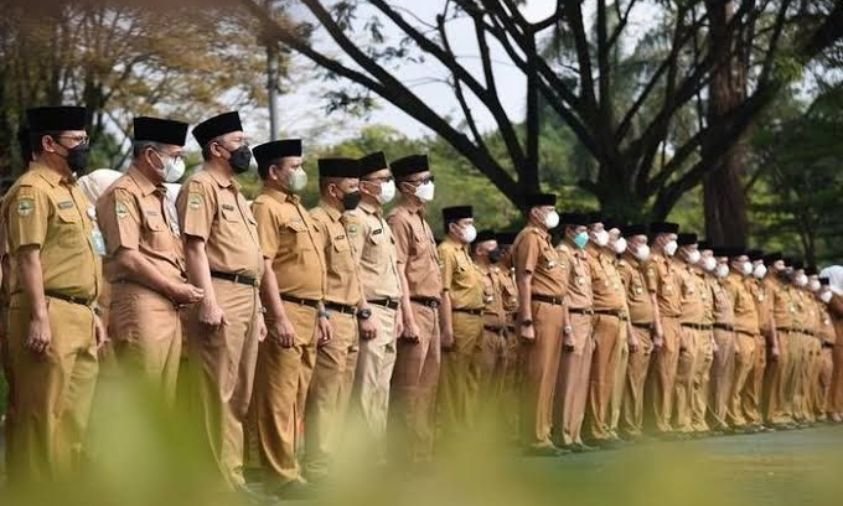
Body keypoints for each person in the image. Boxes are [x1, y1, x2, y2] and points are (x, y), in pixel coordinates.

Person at [2, 105, 106, 482]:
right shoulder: (31, 190)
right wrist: (39, 318)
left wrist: (93, 312)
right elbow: (27, 258)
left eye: (84, 139)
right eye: (76, 140)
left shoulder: (74, 191)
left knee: (73, 415)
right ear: (48, 143)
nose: (83, 146)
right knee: (42, 414)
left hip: (79, 313)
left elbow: (83, 256)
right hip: (48, 310)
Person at [176, 111, 266, 495]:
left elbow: (254, 258)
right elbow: (194, 248)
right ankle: (219, 481)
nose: (246, 149)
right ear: (216, 148)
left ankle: (232, 474)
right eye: (239, 142)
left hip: (247, 295)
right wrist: (208, 302)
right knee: (218, 391)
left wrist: (260, 308)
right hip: (220, 291)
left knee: (241, 392)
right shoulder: (201, 185)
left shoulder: (236, 193)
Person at [96, 117, 203, 403]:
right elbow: (127, 257)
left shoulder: (159, 197)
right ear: (150, 155)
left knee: (163, 402)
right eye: (175, 156)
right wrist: (172, 287)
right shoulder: (124, 194)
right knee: (143, 399)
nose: (179, 163)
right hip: (140, 304)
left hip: (168, 306)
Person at [249, 139, 325, 497]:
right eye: (293, 167)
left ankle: (291, 467)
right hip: (288, 308)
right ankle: (279, 473)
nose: (300, 172)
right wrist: (277, 316)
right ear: (273, 172)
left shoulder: (297, 208)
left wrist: (321, 311)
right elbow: (265, 264)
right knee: (278, 396)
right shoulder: (266, 207)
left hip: (310, 310)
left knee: (297, 397)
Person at [303, 157, 365, 480]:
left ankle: (334, 457)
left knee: (342, 393)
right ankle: (318, 462)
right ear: (332, 189)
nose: (357, 192)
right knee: (325, 394)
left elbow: (350, 272)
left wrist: (363, 309)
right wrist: (321, 312)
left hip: (351, 316)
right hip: (332, 315)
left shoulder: (342, 221)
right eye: (352, 187)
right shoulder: (318, 220)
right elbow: (315, 272)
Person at [387, 154, 442, 465]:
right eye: (423, 181)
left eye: (429, 179)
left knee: (427, 387)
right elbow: (399, 271)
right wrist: (407, 318)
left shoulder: (421, 219)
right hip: (415, 308)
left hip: (431, 308)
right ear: (406, 186)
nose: (428, 186)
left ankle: (422, 453)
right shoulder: (398, 219)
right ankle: (404, 455)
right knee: (408, 387)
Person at [347, 151, 402, 459]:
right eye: (384, 180)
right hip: (372, 310)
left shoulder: (380, 221)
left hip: (390, 310)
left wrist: (400, 313)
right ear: (365, 185)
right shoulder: (356, 218)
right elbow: (351, 268)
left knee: (382, 389)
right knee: (365, 388)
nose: (389, 185)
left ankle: (377, 455)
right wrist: (363, 310)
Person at [511, 193, 567, 456]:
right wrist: (526, 319)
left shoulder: (546, 240)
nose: (553, 214)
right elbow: (524, 279)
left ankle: (543, 433)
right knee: (538, 374)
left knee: (549, 376)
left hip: (555, 308)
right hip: (540, 308)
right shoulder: (530, 238)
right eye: (549, 209)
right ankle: (533, 436)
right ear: (535, 212)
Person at [437, 206, 486, 435]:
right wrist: (446, 328)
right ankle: (452, 431)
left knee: (472, 377)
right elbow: (444, 291)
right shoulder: (446, 251)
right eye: (466, 224)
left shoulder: (464, 251)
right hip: (459, 318)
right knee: (453, 379)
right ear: (453, 227)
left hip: (477, 318)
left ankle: (468, 428)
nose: (470, 228)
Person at [583, 214, 629, 448]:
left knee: (608, 379)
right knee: (598, 377)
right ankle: (595, 429)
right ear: (589, 233)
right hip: (599, 319)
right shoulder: (586, 258)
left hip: (616, 320)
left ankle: (604, 427)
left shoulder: (605, 261)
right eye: (600, 230)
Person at [553, 212, 594, 452]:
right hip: (574, 318)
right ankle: (563, 433)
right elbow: (563, 293)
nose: (585, 236)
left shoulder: (582, 256)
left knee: (581, 380)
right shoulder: (563, 254)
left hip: (587, 319)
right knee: (568, 380)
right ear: (569, 231)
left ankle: (576, 434)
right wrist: (567, 326)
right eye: (581, 231)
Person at [617, 224, 655, 441]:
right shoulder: (624, 268)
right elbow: (623, 304)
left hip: (646, 330)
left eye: (644, 242)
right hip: (635, 329)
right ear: (629, 244)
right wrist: (630, 333)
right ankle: (629, 427)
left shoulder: (638, 270)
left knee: (639, 381)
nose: (644, 247)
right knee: (631, 382)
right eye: (639, 242)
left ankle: (636, 425)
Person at [644, 222, 682, 437]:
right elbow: (653, 298)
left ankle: (666, 421)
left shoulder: (669, 264)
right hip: (664, 320)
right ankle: (658, 423)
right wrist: (658, 328)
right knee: (662, 373)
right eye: (671, 239)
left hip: (675, 321)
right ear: (660, 239)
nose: (673, 244)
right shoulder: (652, 262)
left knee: (671, 373)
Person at [723, 248, 760, 432]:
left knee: (745, 379)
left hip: (751, 334)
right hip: (740, 334)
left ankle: (743, 415)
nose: (747, 264)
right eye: (743, 261)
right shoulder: (731, 282)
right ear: (734, 263)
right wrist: (734, 340)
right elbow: (729, 312)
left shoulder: (745, 283)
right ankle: (734, 417)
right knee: (736, 379)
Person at [470, 230, 508, 413]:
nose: (496, 251)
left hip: (501, 334)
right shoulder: (473, 273)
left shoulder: (496, 274)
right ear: (479, 250)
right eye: (491, 247)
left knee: (497, 386)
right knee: (480, 383)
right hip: (484, 333)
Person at [673, 233, 706, 437]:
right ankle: (680, 421)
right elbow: (673, 304)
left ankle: (691, 419)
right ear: (682, 248)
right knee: (682, 377)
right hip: (684, 327)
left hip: (698, 328)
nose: (695, 253)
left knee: (694, 378)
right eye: (692, 249)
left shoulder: (691, 273)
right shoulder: (675, 271)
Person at [742, 250, 774, 430]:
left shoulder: (759, 285)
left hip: (760, 335)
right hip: (749, 333)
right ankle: (747, 416)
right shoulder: (746, 284)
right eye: (757, 263)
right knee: (748, 377)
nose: (760, 267)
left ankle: (755, 416)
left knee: (757, 379)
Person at [690, 241, 717, 434]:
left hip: (705, 331)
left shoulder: (703, 280)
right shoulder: (688, 275)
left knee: (702, 378)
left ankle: (698, 420)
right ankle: (684, 421)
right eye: (705, 255)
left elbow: (708, 313)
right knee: (688, 378)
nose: (710, 261)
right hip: (689, 330)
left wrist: (712, 337)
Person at [708, 249, 736, 432]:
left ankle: (722, 415)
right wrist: (711, 338)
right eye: (720, 262)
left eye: (726, 262)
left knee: (726, 377)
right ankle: (715, 418)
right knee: (716, 376)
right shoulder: (709, 284)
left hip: (729, 332)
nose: (723, 266)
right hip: (717, 331)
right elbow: (707, 313)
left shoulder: (723, 285)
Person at [763, 253, 792, 428]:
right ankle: (770, 414)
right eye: (780, 264)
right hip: (777, 332)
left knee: (783, 375)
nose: (784, 268)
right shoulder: (768, 285)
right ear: (771, 267)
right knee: (774, 375)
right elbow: (770, 315)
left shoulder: (781, 286)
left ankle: (781, 412)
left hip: (787, 333)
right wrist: (774, 342)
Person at [819, 265, 843, 422]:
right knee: (835, 375)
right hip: (836, 340)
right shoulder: (829, 294)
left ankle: (839, 407)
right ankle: (831, 408)